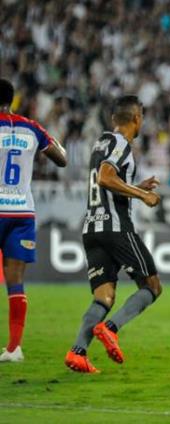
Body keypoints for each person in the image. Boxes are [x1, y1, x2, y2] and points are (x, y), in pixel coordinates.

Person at [64, 95, 162, 373]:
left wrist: (136, 186)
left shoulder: (101, 142)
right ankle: (110, 328)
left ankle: (77, 352)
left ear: (113, 118)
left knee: (104, 296)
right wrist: (142, 195)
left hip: (92, 228)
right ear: (137, 119)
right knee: (152, 286)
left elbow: (106, 182)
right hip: (115, 228)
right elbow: (106, 178)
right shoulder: (121, 144)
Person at [0, 78, 67, 362]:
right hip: (22, 212)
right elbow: (62, 159)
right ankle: (14, 348)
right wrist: (50, 141)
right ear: (12, 100)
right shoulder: (31, 128)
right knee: (15, 281)